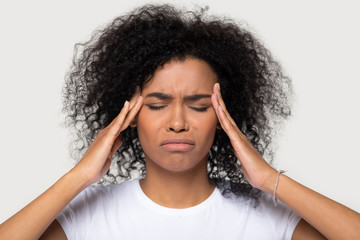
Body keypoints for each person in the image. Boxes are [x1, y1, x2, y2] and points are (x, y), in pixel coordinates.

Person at [1, 3, 359, 240]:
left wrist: (268, 179)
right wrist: (78, 177)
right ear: (129, 114)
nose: (177, 123)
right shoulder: (87, 216)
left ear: (223, 116)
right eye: (157, 105)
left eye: (199, 106)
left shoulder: (267, 215)